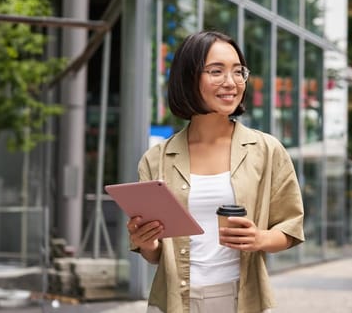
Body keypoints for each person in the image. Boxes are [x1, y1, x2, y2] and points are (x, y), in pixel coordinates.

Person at [125, 31, 304, 313]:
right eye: (216, 71)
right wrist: (145, 242)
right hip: (173, 302)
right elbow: (156, 254)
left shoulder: (266, 150)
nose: (231, 82)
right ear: (188, 77)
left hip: (241, 300)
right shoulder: (156, 159)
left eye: (238, 71)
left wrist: (259, 239)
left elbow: (291, 226)